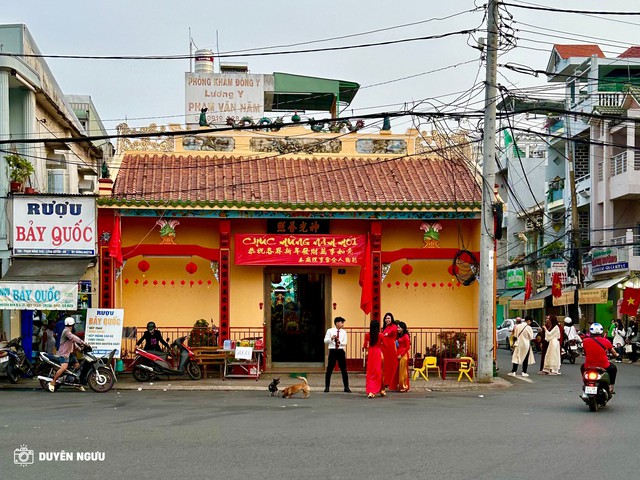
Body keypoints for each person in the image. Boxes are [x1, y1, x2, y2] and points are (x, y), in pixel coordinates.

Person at [49, 317, 87, 393]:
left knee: (77, 365)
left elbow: (73, 343)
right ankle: (53, 382)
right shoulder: (66, 331)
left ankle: (75, 383)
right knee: (64, 367)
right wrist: (83, 343)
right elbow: (74, 338)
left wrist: (80, 349)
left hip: (70, 354)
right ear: (72, 324)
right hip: (64, 354)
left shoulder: (69, 332)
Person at [582, 322, 619, 393]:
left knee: (582, 367)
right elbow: (613, 352)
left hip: (589, 366)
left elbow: (585, 352)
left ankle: (585, 383)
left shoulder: (585, 341)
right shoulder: (606, 341)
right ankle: (611, 386)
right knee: (613, 368)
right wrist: (617, 355)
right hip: (604, 365)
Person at [323, 317, 350, 393]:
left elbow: (345, 342)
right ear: (337, 323)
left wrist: (339, 341)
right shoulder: (330, 331)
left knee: (344, 369)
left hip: (340, 350)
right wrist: (331, 338)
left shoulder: (344, 332)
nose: (343, 324)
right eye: (342, 322)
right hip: (332, 350)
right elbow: (325, 340)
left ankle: (346, 387)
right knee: (329, 369)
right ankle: (327, 387)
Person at [364, 320, 385, 398]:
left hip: (371, 353)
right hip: (378, 352)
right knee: (378, 371)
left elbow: (365, 345)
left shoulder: (367, 335)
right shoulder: (381, 335)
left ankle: (370, 390)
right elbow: (385, 344)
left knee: (370, 372)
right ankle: (378, 389)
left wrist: (365, 350)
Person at [380, 312, 398, 390]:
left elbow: (389, 333)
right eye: (386, 318)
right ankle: (385, 381)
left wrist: (385, 334)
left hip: (390, 347)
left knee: (391, 364)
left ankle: (391, 382)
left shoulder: (394, 326)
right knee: (385, 364)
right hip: (384, 347)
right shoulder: (384, 327)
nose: (387, 320)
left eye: (389, 318)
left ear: (391, 319)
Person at [396, 321, 411, 392]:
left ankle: (404, 386)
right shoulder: (400, 335)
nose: (397, 329)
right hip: (399, 353)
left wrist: (401, 354)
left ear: (403, 328)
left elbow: (408, 347)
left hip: (403, 355)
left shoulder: (406, 336)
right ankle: (401, 385)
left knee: (403, 371)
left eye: (399, 327)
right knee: (400, 371)